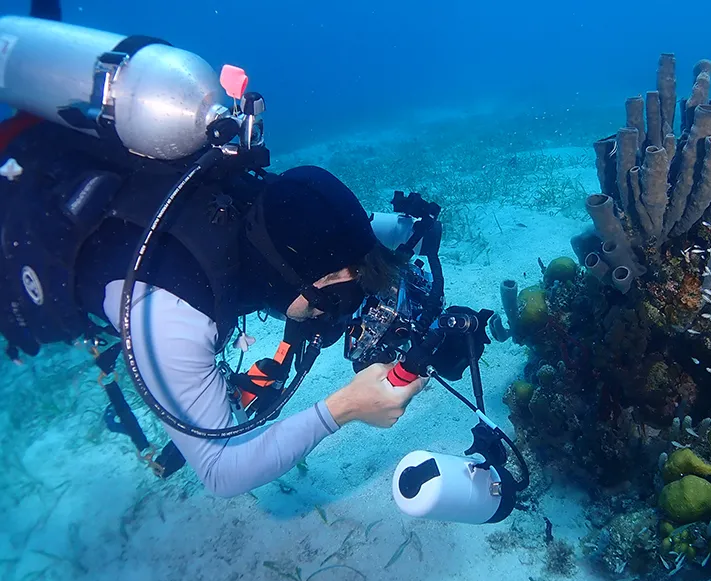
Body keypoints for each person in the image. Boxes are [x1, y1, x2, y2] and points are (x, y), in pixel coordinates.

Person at [0, 5, 430, 498]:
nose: (329, 315)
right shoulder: (173, 317)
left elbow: (348, 238)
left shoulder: (259, 204)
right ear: (291, 273)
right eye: (330, 300)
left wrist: (409, 227)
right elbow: (223, 473)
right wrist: (345, 407)